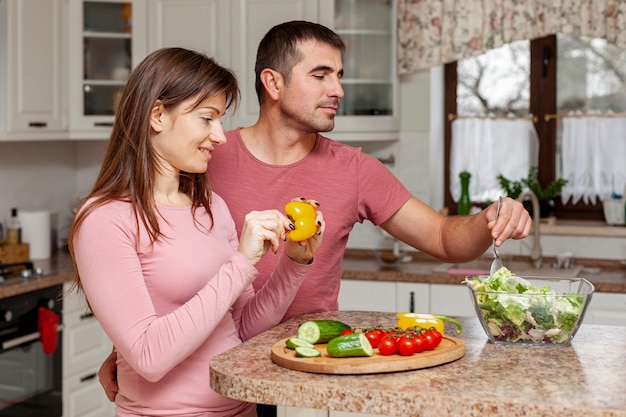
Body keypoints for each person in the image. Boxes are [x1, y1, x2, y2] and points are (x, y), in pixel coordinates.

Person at [97, 21, 533, 415]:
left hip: (311, 372)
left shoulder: (355, 169)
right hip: (224, 375)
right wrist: (133, 350)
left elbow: (442, 237)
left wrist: (491, 216)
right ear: (273, 83)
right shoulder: (204, 154)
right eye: (321, 74)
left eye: (339, 76)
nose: (339, 89)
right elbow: (151, 259)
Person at [68, 47, 324, 417]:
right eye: (207, 118)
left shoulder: (210, 207)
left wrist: (295, 262)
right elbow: (149, 355)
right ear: (157, 115)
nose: (219, 135)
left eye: (220, 119)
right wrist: (240, 263)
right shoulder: (105, 219)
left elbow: (243, 330)